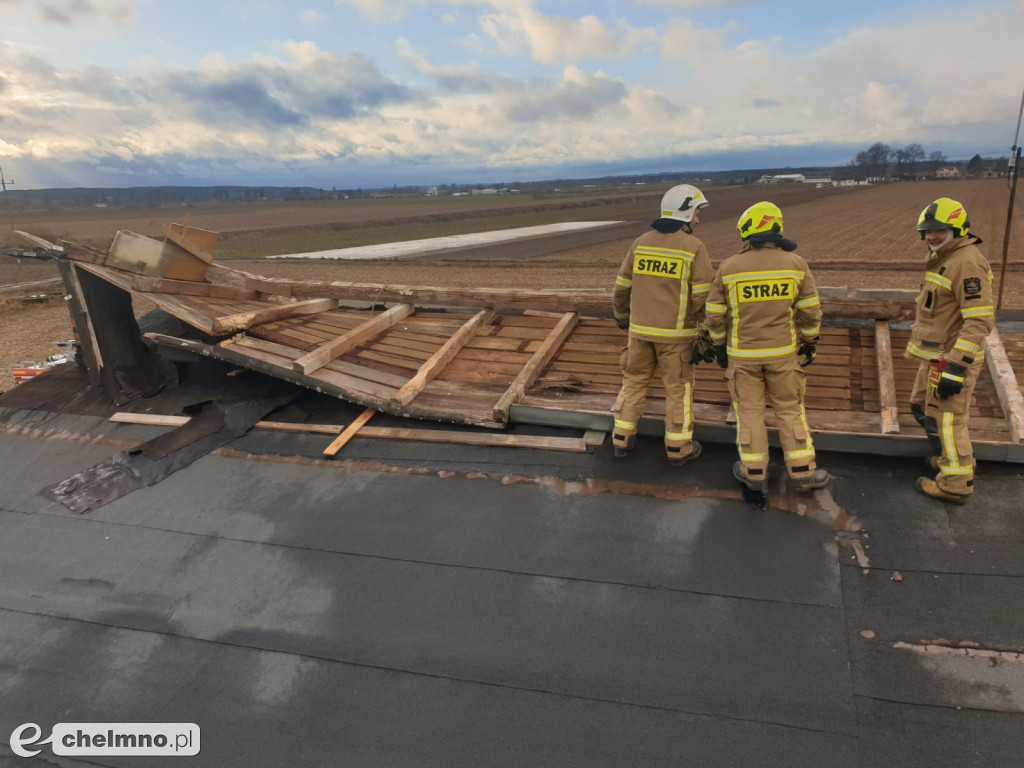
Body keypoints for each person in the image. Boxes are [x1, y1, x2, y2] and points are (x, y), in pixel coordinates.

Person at [704, 201, 831, 494]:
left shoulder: (729, 267)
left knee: (749, 412)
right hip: (783, 355)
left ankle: (754, 473)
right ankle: (802, 473)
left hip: (743, 356)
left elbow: (714, 313)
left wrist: (719, 347)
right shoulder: (796, 264)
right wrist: (810, 343)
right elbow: (811, 311)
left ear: (748, 231)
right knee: (789, 409)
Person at [611, 184, 713, 465]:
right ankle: (678, 449)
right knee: (678, 391)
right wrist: (707, 333)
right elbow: (703, 298)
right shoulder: (694, 247)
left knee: (633, 383)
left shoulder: (641, 242)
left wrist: (622, 318)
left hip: (639, 333)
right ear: (685, 213)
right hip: (677, 338)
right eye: (696, 213)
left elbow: (622, 287)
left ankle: (621, 437)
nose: (698, 220)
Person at [906, 197, 994, 504]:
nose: (931, 237)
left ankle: (955, 484)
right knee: (921, 406)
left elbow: (979, 319)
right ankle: (953, 460)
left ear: (956, 230)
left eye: (939, 231)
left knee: (947, 420)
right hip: (936, 357)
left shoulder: (966, 263)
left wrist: (958, 367)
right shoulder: (945, 258)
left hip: (951, 360)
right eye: (927, 231)